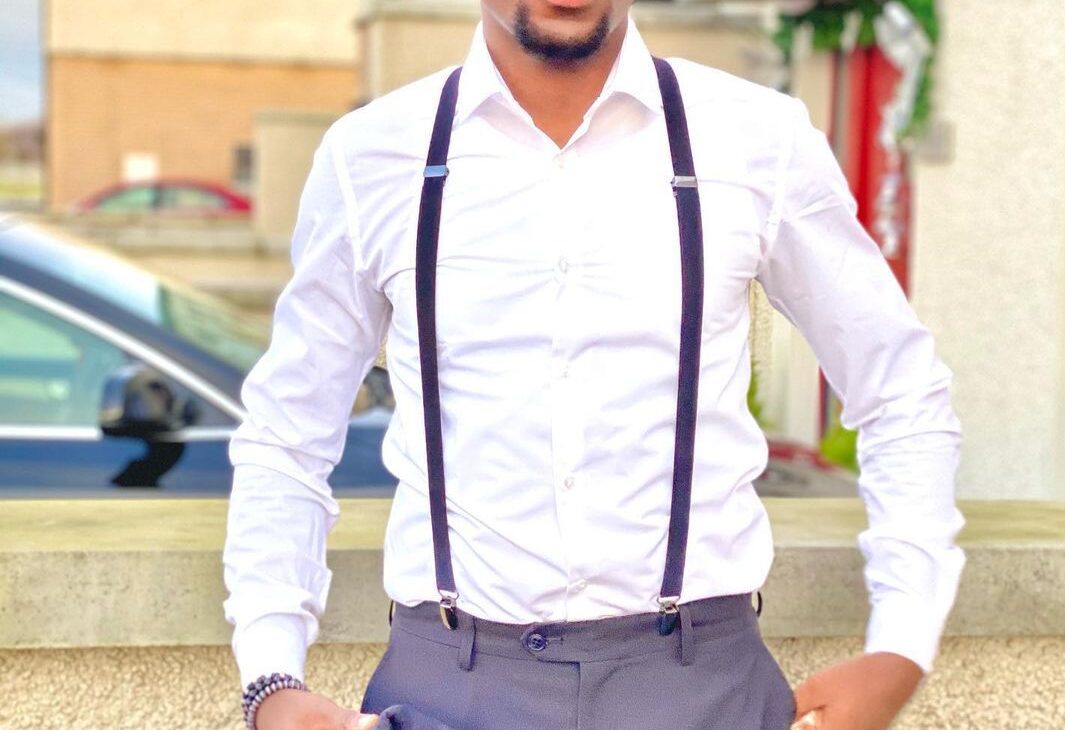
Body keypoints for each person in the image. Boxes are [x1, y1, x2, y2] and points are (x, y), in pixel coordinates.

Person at [222, 0, 965, 727]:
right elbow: (289, 431)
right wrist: (272, 677)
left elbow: (899, 385)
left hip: (702, 689)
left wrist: (902, 643)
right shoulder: (372, 155)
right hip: (448, 688)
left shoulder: (756, 139)